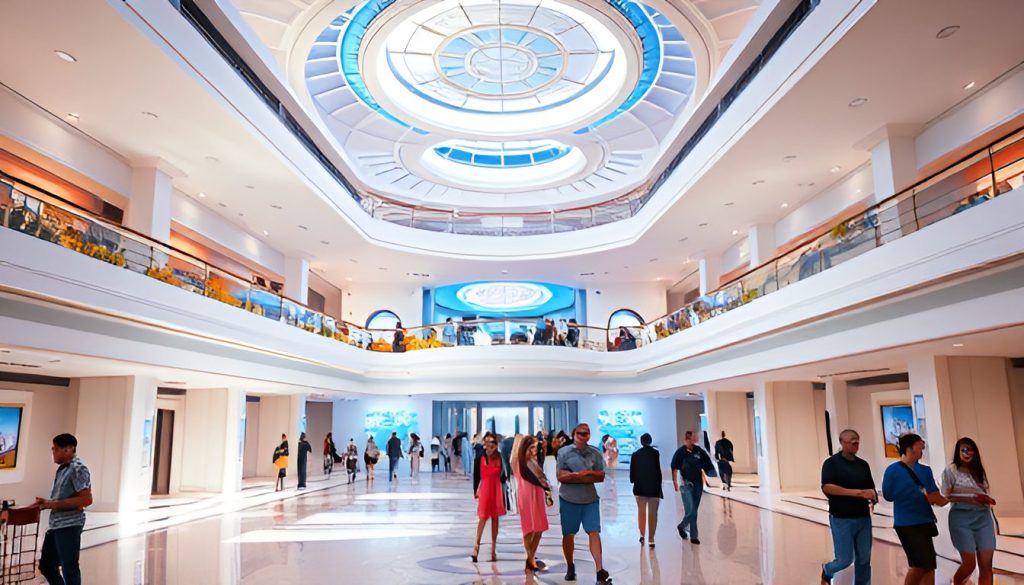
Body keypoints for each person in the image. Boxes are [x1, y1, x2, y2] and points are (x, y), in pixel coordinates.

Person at [882, 433, 948, 585]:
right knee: (920, 565)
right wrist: (912, 493)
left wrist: (948, 498)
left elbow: (934, 494)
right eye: (920, 445)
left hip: (925, 520)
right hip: (906, 523)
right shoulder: (892, 470)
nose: (922, 449)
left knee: (929, 565)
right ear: (909, 448)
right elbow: (888, 495)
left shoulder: (925, 470)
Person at [819, 429, 877, 585]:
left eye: (857, 442)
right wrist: (856, 493)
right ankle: (828, 569)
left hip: (863, 518)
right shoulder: (831, 464)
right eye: (852, 442)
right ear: (842, 443)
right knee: (844, 560)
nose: (856, 445)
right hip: (842, 518)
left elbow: (870, 488)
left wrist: (872, 496)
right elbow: (827, 487)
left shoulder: (863, 465)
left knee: (864, 559)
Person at [556, 423, 610, 585]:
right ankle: (570, 565)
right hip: (568, 499)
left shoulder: (595, 453)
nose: (583, 436)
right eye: (579, 433)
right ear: (574, 435)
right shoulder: (564, 452)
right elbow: (561, 476)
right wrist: (582, 475)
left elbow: (600, 476)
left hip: (590, 499)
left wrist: (577, 475)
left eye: (586, 433)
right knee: (568, 534)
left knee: (594, 532)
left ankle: (599, 570)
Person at [35, 433, 91, 585]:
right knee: (46, 565)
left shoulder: (78, 469)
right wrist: (47, 502)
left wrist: (53, 504)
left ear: (68, 449)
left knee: (69, 568)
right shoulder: (63, 469)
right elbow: (62, 498)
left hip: (69, 526)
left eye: (56, 449)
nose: (53, 452)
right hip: (56, 525)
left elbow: (86, 499)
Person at [941, 437, 997, 585]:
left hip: (983, 517)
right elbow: (946, 496)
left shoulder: (978, 471)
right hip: (961, 518)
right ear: (958, 452)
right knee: (969, 564)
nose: (967, 453)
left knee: (986, 566)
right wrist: (971, 498)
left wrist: (986, 499)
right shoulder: (951, 470)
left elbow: (984, 491)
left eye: (970, 450)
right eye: (964, 450)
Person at [670, 430, 714, 544]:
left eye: (694, 438)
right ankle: (688, 531)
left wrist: (709, 475)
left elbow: (706, 465)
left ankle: (687, 531)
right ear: (686, 439)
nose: (693, 441)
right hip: (685, 484)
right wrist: (675, 482)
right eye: (691, 439)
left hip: (698, 483)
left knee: (694, 509)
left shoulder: (699, 451)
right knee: (691, 510)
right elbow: (674, 467)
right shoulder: (680, 452)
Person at [516, 435, 551, 575]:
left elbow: (541, 477)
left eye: (535, 447)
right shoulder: (521, 463)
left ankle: (530, 558)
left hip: (537, 495)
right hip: (526, 496)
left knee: (539, 527)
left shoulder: (536, 460)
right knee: (528, 528)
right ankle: (530, 559)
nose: (534, 451)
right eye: (531, 448)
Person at [471, 433, 507, 563]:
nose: (489, 444)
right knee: (483, 517)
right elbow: (476, 475)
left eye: (492, 442)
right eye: (486, 442)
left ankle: (493, 549)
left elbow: (505, 475)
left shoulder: (500, 457)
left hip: (496, 489)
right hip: (485, 488)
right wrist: (475, 490)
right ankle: (476, 546)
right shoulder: (480, 456)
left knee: (495, 519)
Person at [629, 433, 662, 548]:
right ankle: (651, 539)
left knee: (641, 512)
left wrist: (633, 480)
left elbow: (632, 471)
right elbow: (657, 470)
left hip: (640, 487)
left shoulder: (635, 454)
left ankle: (642, 535)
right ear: (650, 441)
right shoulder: (655, 454)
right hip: (653, 488)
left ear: (641, 441)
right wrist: (659, 485)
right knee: (653, 514)